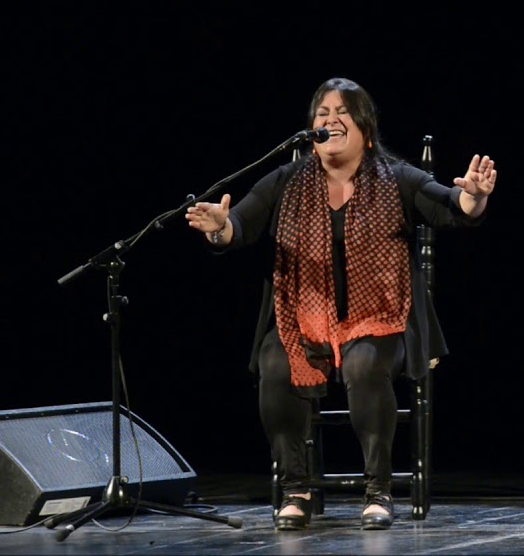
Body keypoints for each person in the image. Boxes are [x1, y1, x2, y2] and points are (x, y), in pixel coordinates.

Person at [185, 77, 497, 531]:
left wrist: (473, 197)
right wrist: (219, 226)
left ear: (365, 128)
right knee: (275, 361)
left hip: (382, 322)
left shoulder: (396, 177)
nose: (329, 121)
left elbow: (450, 206)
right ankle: (296, 489)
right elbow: (241, 225)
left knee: (364, 364)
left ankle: (378, 491)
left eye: (341, 113)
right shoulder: (288, 181)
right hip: (304, 323)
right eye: (321, 114)